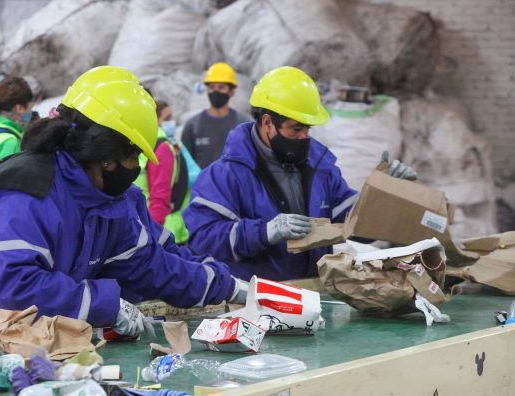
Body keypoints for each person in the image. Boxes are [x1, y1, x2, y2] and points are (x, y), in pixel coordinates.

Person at [0, 66, 247, 337]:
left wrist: (227, 286)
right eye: (134, 157)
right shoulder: (27, 194)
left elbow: (148, 266)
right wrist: (107, 304)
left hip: (8, 341)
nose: (137, 169)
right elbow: (19, 288)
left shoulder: (100, 199)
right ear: (108, 156)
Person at [183, 66, 417, 282]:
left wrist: (384, 195)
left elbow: (352, 223)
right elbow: (204, 239)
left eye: (308, 128)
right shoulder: (225, 175)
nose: (305, 136)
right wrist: (264, 232)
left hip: (313, 295)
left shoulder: (320, 167)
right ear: (267, 123)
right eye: (296, 128)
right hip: (253, 304)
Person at [134, 100, 196, 244]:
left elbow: (159, 198)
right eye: (167, 118)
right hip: (147, 228)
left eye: (171, 118)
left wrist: (151, 238)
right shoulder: (145, 142)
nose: (171, 122)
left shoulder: (162, 146)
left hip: (163, 230)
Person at [181, 62, 250, 170]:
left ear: (231, 92)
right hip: (203, 186)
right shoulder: (193, 125)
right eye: (212, 87)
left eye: (221, 87)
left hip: (234, 186)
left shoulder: (243, 124)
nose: (216, 91)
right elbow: (186, 164)